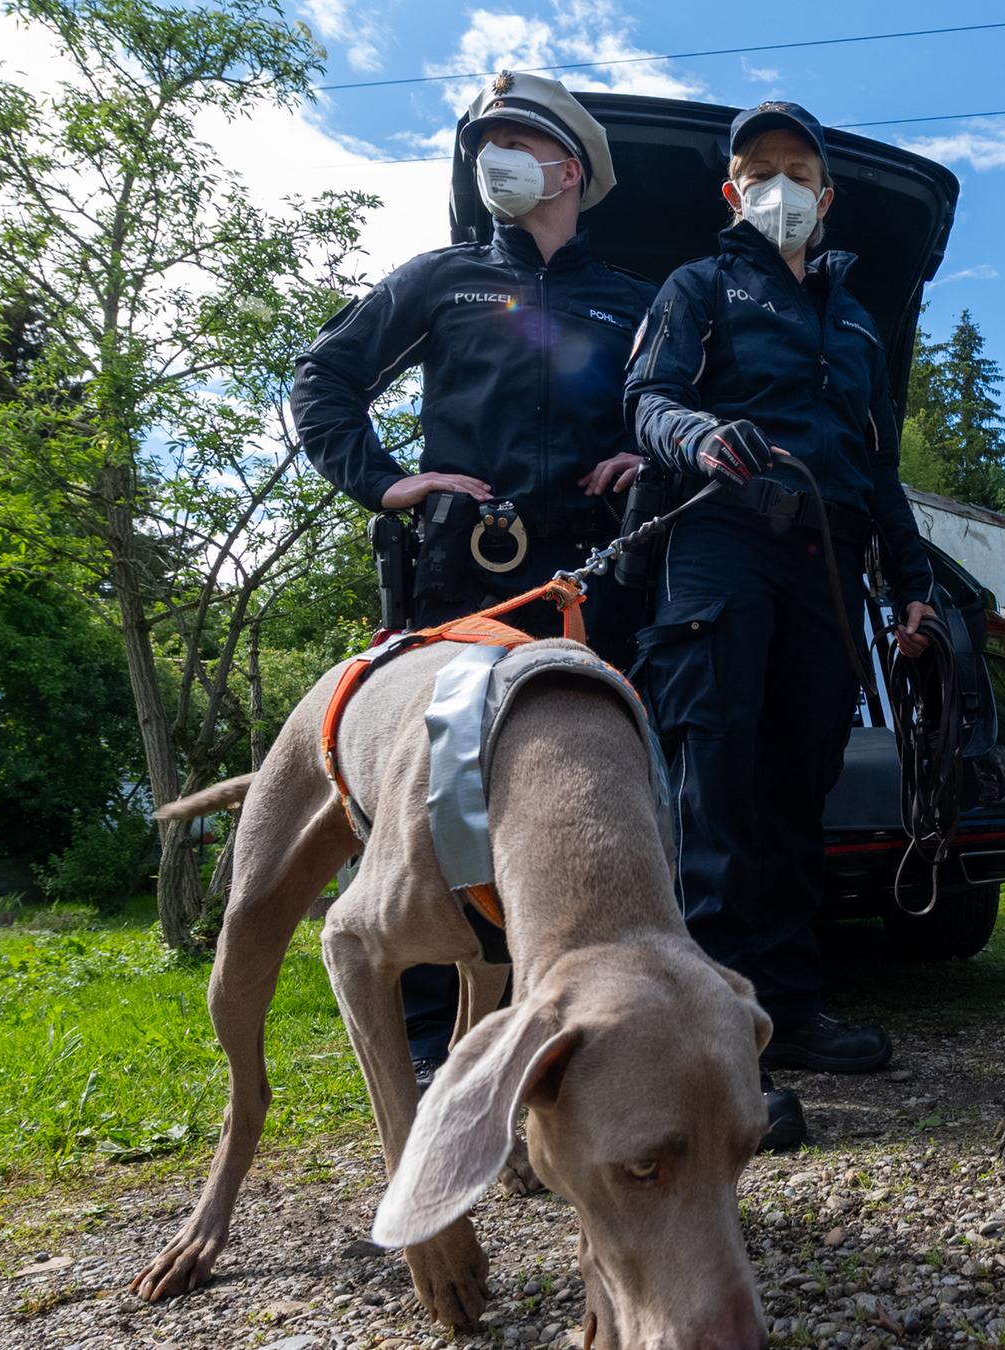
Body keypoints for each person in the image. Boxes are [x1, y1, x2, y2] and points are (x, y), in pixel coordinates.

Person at [292, 71, 655, 1085]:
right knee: (441, 798)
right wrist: (387, 482)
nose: (487, 154)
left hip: (594, 580)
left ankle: (596, 1011)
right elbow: (323, 379)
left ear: (569, 166)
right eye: (480, 139)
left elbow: (676, 406)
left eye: (512, 138)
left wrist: (649, 459)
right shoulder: (441, 280)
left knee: (599, 787)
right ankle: (422, 1033)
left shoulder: (633, 302)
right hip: (467, 576)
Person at [626, 101, 938, 1151]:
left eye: (799, 170)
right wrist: (699, 433)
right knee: (715, 786)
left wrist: (913, 586)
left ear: (827, 191)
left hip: (828, 561)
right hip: (720, 544)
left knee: (797, 783)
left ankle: (790, 1010)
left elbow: (877, 466)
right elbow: (648, 400)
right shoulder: (696, 288)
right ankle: (706, 1044)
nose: (782, 188)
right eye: (761, 171)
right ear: (733, 192)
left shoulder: (856, 322)